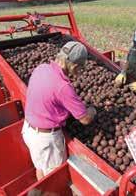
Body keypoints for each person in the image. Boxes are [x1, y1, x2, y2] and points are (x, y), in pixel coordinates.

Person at [22, 41, 97, 180]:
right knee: (54, 179)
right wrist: (92, 110)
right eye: (80, 68)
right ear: (74, 65)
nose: (79, 72)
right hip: (46, 140)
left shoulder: (41, 68)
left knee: (41, 168)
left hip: (29, 130)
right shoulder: (63, 87)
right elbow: (85, 119)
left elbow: (49, 97)